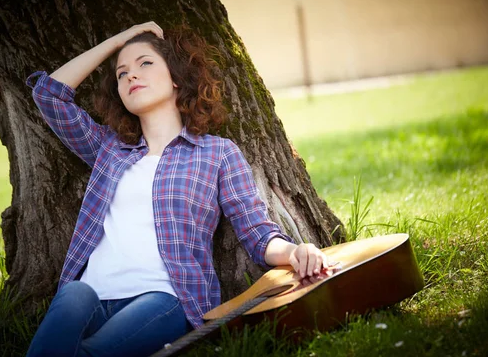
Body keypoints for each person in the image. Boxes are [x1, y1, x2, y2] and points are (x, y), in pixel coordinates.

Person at [25, 22, 336, 357]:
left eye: (145, 63)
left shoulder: (217, 153)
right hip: (91, 296)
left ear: (175, 77)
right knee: (73, 295)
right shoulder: (108, 149)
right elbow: (49, 94)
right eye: (121, 73)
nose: (131, 75)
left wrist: (295, 252)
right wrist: (118, 42)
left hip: (162, 302)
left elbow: (257, 233)